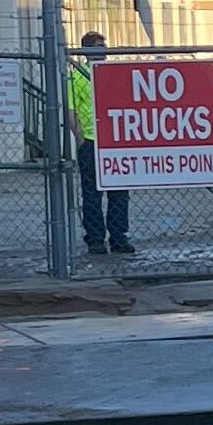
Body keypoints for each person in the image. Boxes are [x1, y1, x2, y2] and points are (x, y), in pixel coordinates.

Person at [67, 28, 131, 257]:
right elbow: (71, 110)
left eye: (104, 48)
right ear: (85, 51)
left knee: (119, 192)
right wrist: (80, 138)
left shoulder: (113, 74)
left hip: (115, 140)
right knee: (92, 193)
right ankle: (95, 239)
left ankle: (118, 237)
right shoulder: (76, 76)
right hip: (91, 141)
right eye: (97, 48)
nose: (102, 52)